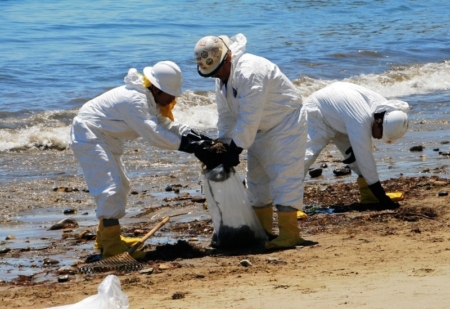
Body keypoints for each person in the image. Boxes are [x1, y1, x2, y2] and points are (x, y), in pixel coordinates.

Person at [70, 61, 213, 259]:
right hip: (90, 134)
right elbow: (154, 135)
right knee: (110, 188)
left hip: (106, 136)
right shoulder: (135, 100)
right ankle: (111, 249)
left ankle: (106, 239)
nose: (172, 98)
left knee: (123, 185)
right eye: (169, 93)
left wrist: (198, 138)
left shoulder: (149, 98)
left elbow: (165, 124)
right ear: (156, 87)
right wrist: (191, 147)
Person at [193, 33, 308, 250]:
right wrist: (224, 146)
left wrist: (235, 150)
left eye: (218, 70)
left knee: (284, 176)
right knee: (257, 181)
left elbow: (249, 116)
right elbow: (226, 117)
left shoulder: (250, 70)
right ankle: (263, 232)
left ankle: (290, 234)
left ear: (227, 57)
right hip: (259, 129)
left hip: (285, 123)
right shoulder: (222, 79)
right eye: (213, 74)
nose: (217, 76)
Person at [302, 81, 410, 209]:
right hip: (317, 113)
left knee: (359, 163)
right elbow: (366, 159)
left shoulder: (382, 107)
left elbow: (362, 155)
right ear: (378, 121)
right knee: (305, 158)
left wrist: (357, 146)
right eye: (381, 134)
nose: (378, 138)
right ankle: (288, 207)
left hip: (340, 116)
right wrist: (383, 198)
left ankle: (370, 197)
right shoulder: (362, 120)